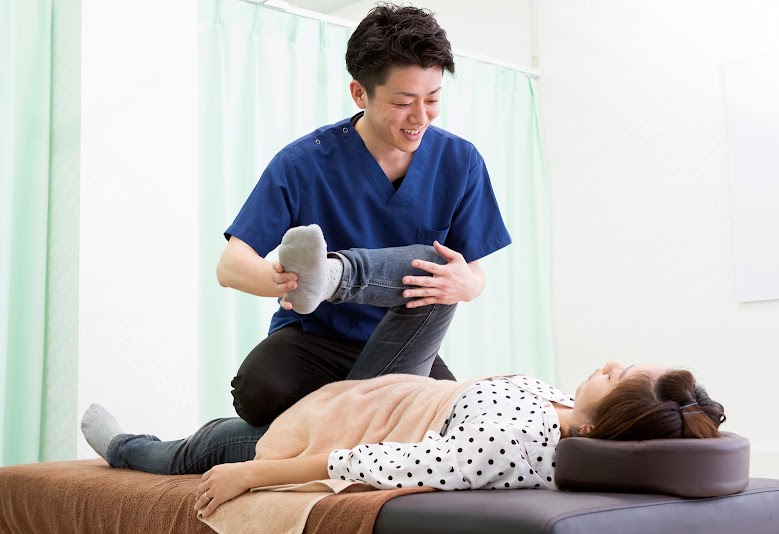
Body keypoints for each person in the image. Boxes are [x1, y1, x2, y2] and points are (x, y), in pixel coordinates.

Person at [80, 228, 726, 518]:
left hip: (338, 424)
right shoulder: (565, 416)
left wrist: (254, 472)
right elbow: (680, 426)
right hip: (394, 390)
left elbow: (370, 463)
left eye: (617, 375)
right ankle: (333, 277)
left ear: (595, 420)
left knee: (208, 445)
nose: (608, 363)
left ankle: (123, 447)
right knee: (438, 276)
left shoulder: (511, 445)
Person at [215, 3, 512, 428]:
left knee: (457, 426)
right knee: (259, 393)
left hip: (403, 342)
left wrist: (468, 285)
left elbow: (471, 271)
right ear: (360, 93)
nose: (420, 117)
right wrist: (287, 282)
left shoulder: (459, 161)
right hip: (316, 341)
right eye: (404, 102)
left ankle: (336, 282)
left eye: (432, 100)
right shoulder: (304, 163)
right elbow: (231, 266)